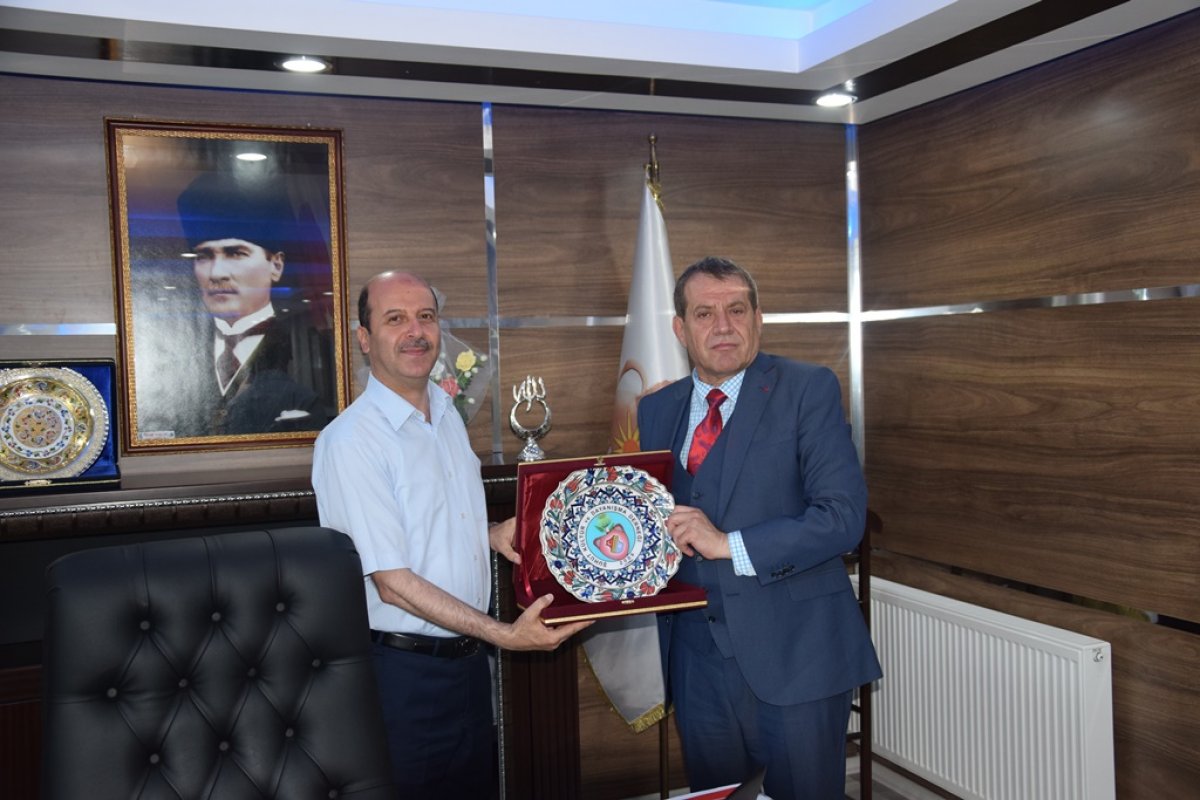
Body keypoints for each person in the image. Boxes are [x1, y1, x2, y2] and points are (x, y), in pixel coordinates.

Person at [311, 270, 592, 798]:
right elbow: (391, 582)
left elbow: (427, 524)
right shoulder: (351, 442)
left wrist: (491, 533)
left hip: (466, 671)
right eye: (395, 319)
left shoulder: (445, 417)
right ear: (364, 338)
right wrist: (504, 635)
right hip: (404, 679)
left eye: (426, 316)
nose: (415, 331)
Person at [637, 256, 882, 800]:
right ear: (680, 329)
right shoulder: (656, 409)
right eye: (704, 314)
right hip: (696, 663)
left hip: (796, 654)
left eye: (737, 310)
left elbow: (842, 517)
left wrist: (728, 545)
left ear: (758, 319)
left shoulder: (807, 389)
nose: (723, 326)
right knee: (719, 795)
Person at [136, 169, 332, 438]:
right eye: (204, 256)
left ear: (276, 265)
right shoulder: (170, 360)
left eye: (236, 253)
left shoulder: (306, 364)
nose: (217, 273)